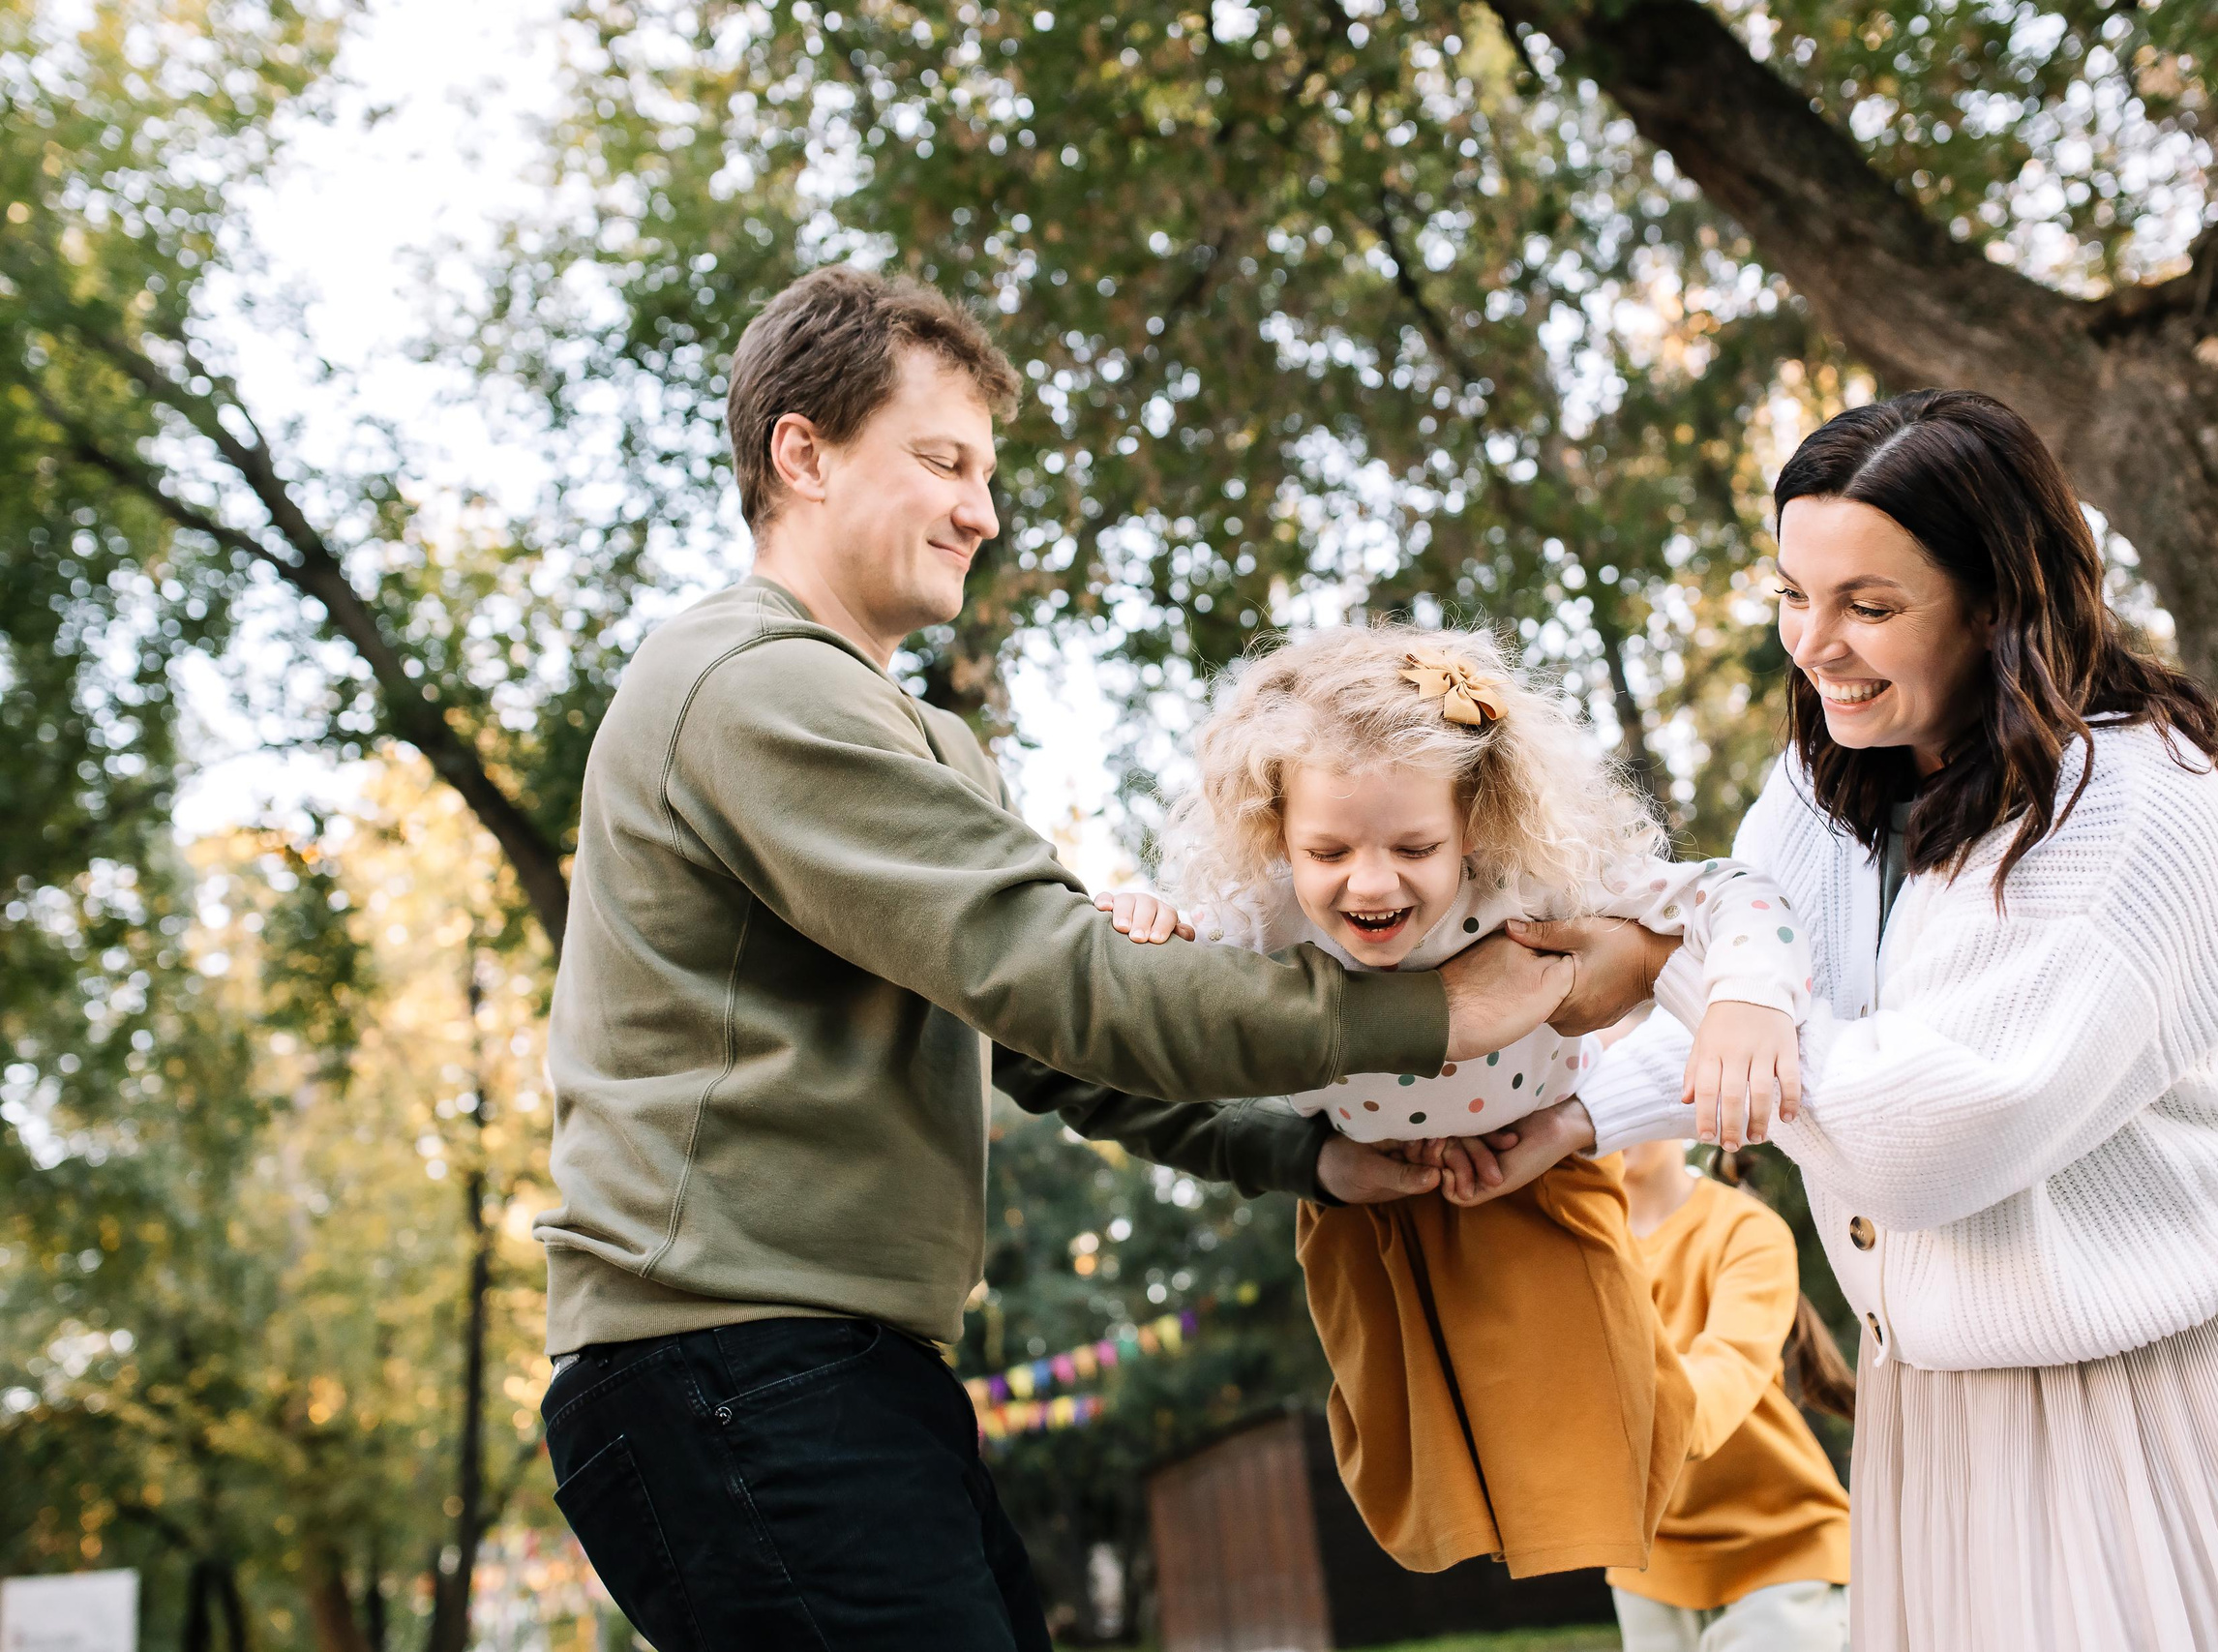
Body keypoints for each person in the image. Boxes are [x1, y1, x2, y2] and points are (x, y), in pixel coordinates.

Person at [529, 267, 1584, 1652]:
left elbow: (1038, 1036)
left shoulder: (907, 731)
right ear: (805, 453)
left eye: (988, 468)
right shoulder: (750, 685)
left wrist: (1303, 1154)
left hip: (833, 1360)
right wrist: (1434, 1006)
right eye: (942, 459)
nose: (984, 507)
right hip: (726, 1358)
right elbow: (1061, 974)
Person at [1466, 388, 2218, 1650]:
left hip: (2171, 1389)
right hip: (1952, 1403)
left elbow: (1928, 1133)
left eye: (1870, 606)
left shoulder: (2128, 808)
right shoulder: (1829, 782)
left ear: (2001, 603)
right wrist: (1568, 1117)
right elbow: (1775, 1021)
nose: (1815, 644)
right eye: (1792, 592)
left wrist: (1677, 949)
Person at [1095, 622, 1810, 1577]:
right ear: (1276, 835)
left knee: (1615, 1412)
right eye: (1329, 849)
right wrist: (1146, 920)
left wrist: (1747, 999)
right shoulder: (1256, 915)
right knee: (1401, 1449)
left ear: (1472, 820)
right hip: (1367, 1202)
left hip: (1538, 1177)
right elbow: (1153, 989)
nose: (1373, 880)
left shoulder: (1529, 880)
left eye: (1414, 845)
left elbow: (1735, 891)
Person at [1603, 1136, 1852, 1652]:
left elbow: (1725, 1372)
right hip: (1646, 1560)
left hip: (1781, 1547)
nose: (1608, 1113)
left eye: (1624, 1076)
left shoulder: (1745, 1229)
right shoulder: (1572, 1242)